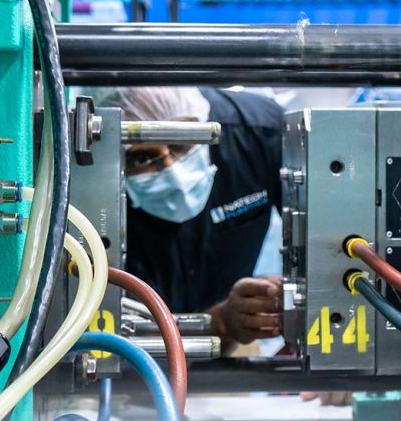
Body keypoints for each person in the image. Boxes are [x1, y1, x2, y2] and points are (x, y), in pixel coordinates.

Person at [96, 87, 284, 348]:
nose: (173, 172)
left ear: (202, 122)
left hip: (234, 346)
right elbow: (111, 337)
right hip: (143, 354)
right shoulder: (94, 194)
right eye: (143, 158)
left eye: (180, 143)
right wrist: (221, 322)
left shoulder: (258, 132)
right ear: (115, 161)